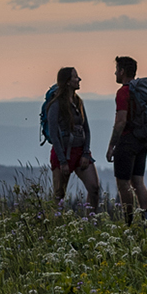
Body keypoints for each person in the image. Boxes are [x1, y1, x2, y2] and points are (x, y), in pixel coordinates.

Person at [48, 66, 101, 213]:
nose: (79, 80)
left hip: (80, 152)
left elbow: (86, 129)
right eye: (75, 77)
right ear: (67, 82)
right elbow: (54, 135)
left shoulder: (78, 102)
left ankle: (91, 223)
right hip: (63, 153)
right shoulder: (56, 104)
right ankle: (56, 226)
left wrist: (85, 153)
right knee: (59, 196)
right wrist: (62, 161)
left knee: (94, 188)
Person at [106, 55, 147, 224]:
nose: (115, 73)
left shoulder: (123, 92)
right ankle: (146, 220)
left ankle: (129, 222)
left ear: (122, 71)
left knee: (123, 184)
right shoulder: (139, 90)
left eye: (117, 70)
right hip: (142, 140)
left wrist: (112, 145)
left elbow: (120, 121)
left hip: (127, 141)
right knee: (138, 181)